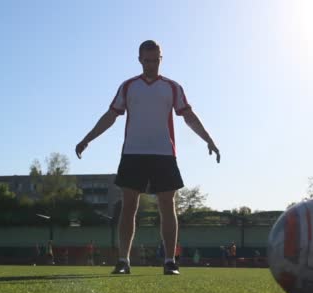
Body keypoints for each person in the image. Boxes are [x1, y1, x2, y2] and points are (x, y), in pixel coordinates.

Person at [76, 40, 220, 276]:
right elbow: (111, 116)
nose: (151, 64)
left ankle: (169, 261)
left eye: (155, 60)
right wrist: (88, 138)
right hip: (133, 152)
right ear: (140, 59)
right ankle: (123, 261)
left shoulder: (172, 87)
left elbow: (189, 116)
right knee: (129, 206)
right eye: (147, 60)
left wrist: (208, 139)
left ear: (161, 59)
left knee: (167, 205)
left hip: (164, 153)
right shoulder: (128, 86)